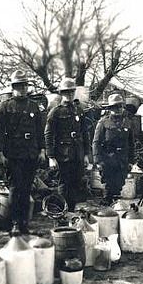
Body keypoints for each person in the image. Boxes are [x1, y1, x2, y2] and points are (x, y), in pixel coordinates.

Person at [0, 70, 46, 234]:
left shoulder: (33, 106)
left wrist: (42, 149)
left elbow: (40, 130)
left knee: (27, 188)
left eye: (24, 86)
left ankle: (24, 223)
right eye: (18, 86)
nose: (22, 89)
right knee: (15, 189)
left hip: (31, 152)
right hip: (13, 154)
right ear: (13, 87)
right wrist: (0, 153)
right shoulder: (5, 106)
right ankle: (15, 223)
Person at [44, 78, 91, 211]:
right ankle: (61, 213)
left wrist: (86, 154)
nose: (69, 95)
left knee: (76, 183)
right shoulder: (55, 112)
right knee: (64, 185)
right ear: (61, 93)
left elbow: (85, 133)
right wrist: (51, 157)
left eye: (71, 92)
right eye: (66, 92)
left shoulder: (79, 110)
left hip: (78, 153)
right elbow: (48, 135)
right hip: (63, 154)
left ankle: (71, 211)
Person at [93, 94, 135, 204]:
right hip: (108, 160)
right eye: (115, 107)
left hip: (122, 161)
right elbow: (96, 142)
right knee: (108, 188)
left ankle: (116, 208)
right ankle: (107, 211)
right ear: (110, 108)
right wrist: (98, 161)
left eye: (120, 106)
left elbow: (131, 144)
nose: (118, 109)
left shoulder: (127, 122)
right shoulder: (103, 122)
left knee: (119, 186)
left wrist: (131, 161)